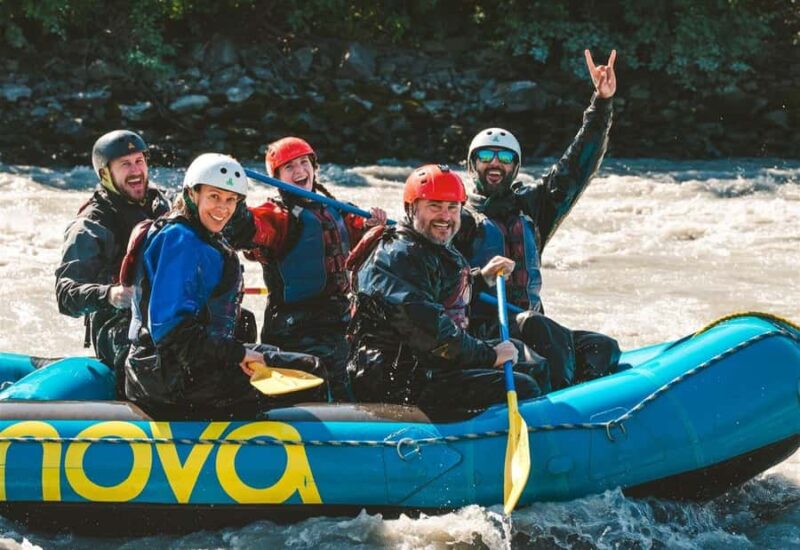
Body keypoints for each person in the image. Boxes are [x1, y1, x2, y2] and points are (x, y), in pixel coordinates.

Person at [454, 49, 622, 389]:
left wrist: (601, 103)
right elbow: (439, 279)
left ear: (515, 167)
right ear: (473, 166)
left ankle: (591, 416)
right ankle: (557, 413)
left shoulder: (532, 208)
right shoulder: (456, 217)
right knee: (537, 327)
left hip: (531, 326)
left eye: (504, 157)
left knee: (603, 348)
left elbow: (577, 167)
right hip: (483, 330)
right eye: (485, 156)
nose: (494, 163)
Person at [123, 153, 325, 419]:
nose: (223, 208)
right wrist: (238, 353)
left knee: (300, 363)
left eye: (231, 200)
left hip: (185, 368)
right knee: (311, 374)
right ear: (192, 194)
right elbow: (172, 334)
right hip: (168, 381)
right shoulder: (180, 240)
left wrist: (239, 351)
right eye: (214, 197)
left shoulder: (200, 235)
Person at [345, 164, 548, 411]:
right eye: (435, 206)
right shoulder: (394, 258)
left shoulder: (431, 247)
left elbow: (445, 295)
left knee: (531, 362)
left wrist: (482, 278)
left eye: (452, 208)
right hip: (398, 383)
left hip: (431, 365)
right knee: (522, 386)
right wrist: (489, 355)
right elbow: (429, 332)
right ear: (411, 209)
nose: (445, 216)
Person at [225, 137, 387, 401]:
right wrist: (232, 188)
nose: (299, 171)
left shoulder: (334, 208)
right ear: (277, 177)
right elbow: (244, 228)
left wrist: (372, 226)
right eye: (289, 167)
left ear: (314, 167)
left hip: (338, 320)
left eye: (303, 163)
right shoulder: (277, 216)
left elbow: (359, 234)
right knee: (329, 386)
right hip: (296, 329)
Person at [55, 130, 170, 395]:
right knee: (140, 342)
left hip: (163, 312)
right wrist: (110, 294)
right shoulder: (91, 224)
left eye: (139, 161)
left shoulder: (159, 204)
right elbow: (65, 294)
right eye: (125, 164)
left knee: (238, 321)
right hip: (116, 324)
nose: (135, 170)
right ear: (105, 174)